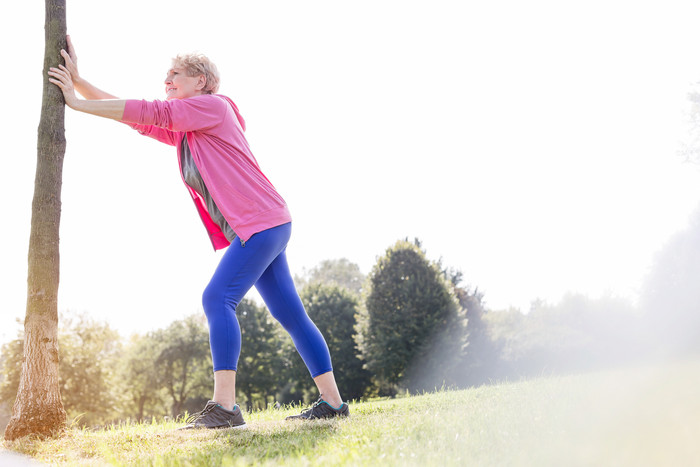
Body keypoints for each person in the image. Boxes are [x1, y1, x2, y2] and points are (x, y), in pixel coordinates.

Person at [48, 36, 349, 429]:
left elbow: (152, 110)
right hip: (266, 222)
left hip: (262, 223)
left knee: (217, 297)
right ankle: (334, 404)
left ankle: (225, 408)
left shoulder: (212, 107)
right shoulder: (189, 127)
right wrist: (80, 82)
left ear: (202, 81)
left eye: (175, 73)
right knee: (289, 313)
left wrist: (78, 103)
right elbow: (140, 118)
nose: (166, 78)